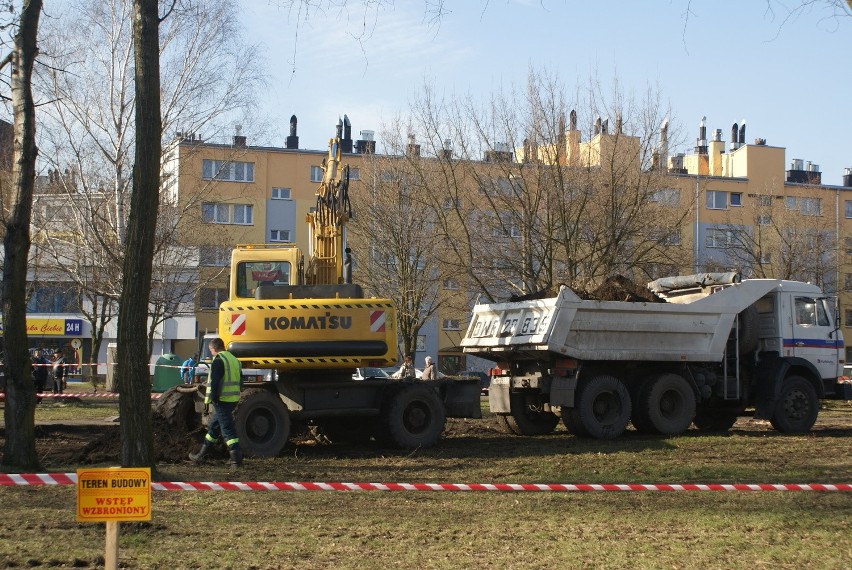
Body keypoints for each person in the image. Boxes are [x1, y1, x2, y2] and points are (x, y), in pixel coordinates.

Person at [189, 337, 243, 467]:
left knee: (227, 429)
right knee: (214, 427)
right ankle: (201, 455)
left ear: (213, 348)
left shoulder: (219, 360)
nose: (211, 352)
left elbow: (214, 381)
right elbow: (241, 380)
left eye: (210, 350)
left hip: (222, 400)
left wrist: (213, 398)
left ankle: (236, 460)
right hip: (233, 398)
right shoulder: (234, 360)